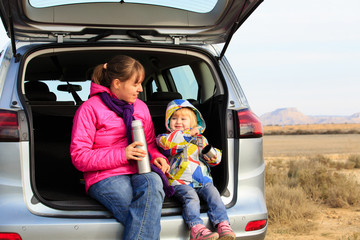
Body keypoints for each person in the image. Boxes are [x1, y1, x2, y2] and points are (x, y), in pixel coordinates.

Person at [70, 55, 170, 240]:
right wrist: (123, 154)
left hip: (141, 169)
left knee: (154, 183)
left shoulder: (141, 107)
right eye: (136, 84)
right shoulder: (89, 109)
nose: (141, 89)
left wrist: (158, 157)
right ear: (117, 83)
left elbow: (149, 143)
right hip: (105, 175)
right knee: (142, 215)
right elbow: (79, 157)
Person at [156, 99, 236, 240]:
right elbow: (170, 146)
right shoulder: (164, 138)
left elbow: (213, 159)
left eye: (183, 118)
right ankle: (196, 228)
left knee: (215, 195)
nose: (178, 121)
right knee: (191, 198)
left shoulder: (201, 139)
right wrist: (188, 135)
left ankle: (223, 224)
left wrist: (213, 157)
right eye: (173, 118)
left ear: (193, 122)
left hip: (201, 179)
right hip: (179, 181)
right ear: (168, 121)